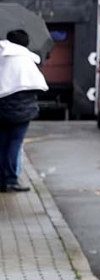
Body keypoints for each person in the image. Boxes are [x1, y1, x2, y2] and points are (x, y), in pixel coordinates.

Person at [0, 30, 47, 193]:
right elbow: (39, 85)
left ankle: (2, 179)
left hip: (1, 107)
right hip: (22, 111)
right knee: (14, 143)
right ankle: (11, 179)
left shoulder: (2, 54)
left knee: (2, 143)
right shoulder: (26, 59)